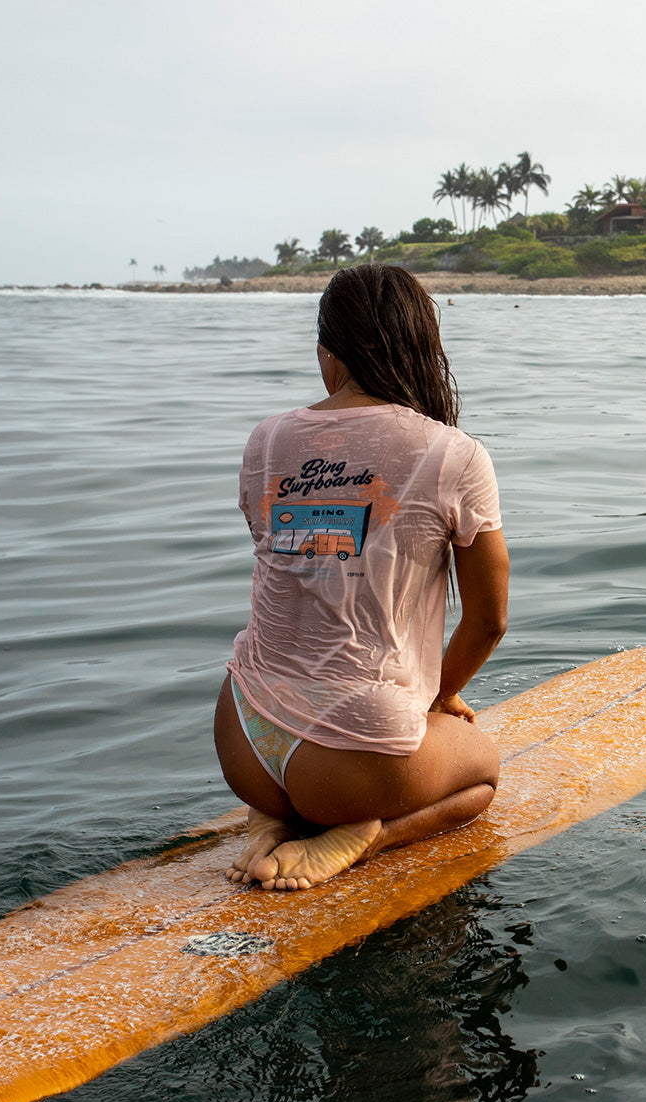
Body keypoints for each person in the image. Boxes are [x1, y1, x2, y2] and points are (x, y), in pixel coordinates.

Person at [214, 264, 508, 891]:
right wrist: (439, 696)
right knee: (483, 773)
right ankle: (367, 835)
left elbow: (293, 569)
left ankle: (271, 816)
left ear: (327, 353)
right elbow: (489, 620)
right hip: (355, 766)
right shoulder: (454, 454)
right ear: (423, 349)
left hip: (243, 736)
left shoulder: (266, 440)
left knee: (302, 750)